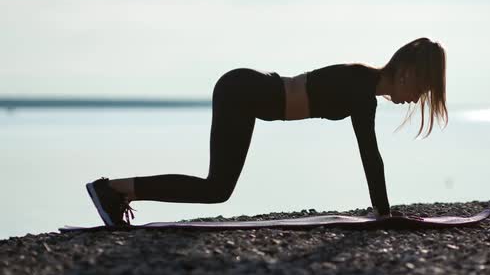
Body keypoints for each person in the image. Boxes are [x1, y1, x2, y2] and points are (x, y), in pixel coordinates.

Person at [86, 37, 448, 226]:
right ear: (407, 74)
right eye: (421, 90)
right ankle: (112, 190)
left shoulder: (362, 84)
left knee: (217, 189)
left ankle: (117, 191)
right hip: (243, 91)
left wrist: (383, 213)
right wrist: (384, 214)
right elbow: (370, 156)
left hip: (243, 93)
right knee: (217, 188)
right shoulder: (360, 88)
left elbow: (371, 156)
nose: (416, 99)